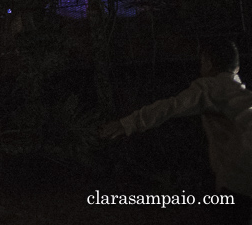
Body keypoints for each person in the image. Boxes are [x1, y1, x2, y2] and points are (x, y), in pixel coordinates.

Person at [102, 38, 252, 222]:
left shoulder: (209, 87)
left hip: (239, 181)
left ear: (208, 63)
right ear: (236, 67)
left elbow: (172, 106)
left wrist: (129, 123)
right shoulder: (242, 93)